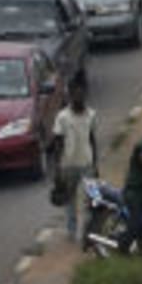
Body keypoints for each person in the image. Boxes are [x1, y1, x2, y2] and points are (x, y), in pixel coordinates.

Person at [50, 85, 98, 245]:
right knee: (70, 201)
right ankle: (72, 232)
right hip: (68, 164)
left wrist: (96, 164)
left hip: (86, 163)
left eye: (81, 96)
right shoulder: (62, 117)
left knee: (89, 199)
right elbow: (57, 143)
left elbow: (92, 139)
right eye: (75, 96)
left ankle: (88, 232)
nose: (79, 99)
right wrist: (57, 169)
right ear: (70, 97)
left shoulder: (91, 115)